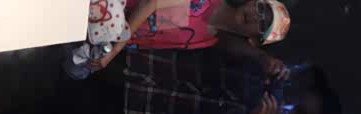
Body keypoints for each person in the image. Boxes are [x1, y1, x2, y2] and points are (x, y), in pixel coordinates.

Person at [81, 0, 291, 78]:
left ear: (253, 39)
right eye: (261, 9)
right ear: (253, 1)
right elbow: (150, 2)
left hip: (100, 37)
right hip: (101, 2)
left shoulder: (205, 40)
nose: (255, 16)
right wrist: (115, 50)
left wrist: (108, 50)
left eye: (262, 25)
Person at [123, 48, 341, 114]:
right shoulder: (263, 71)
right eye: (294, 96)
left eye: (296, 112)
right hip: (145, 59)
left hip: (134, 106)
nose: (284, 103)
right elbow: (214, 32)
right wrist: (259, 56)